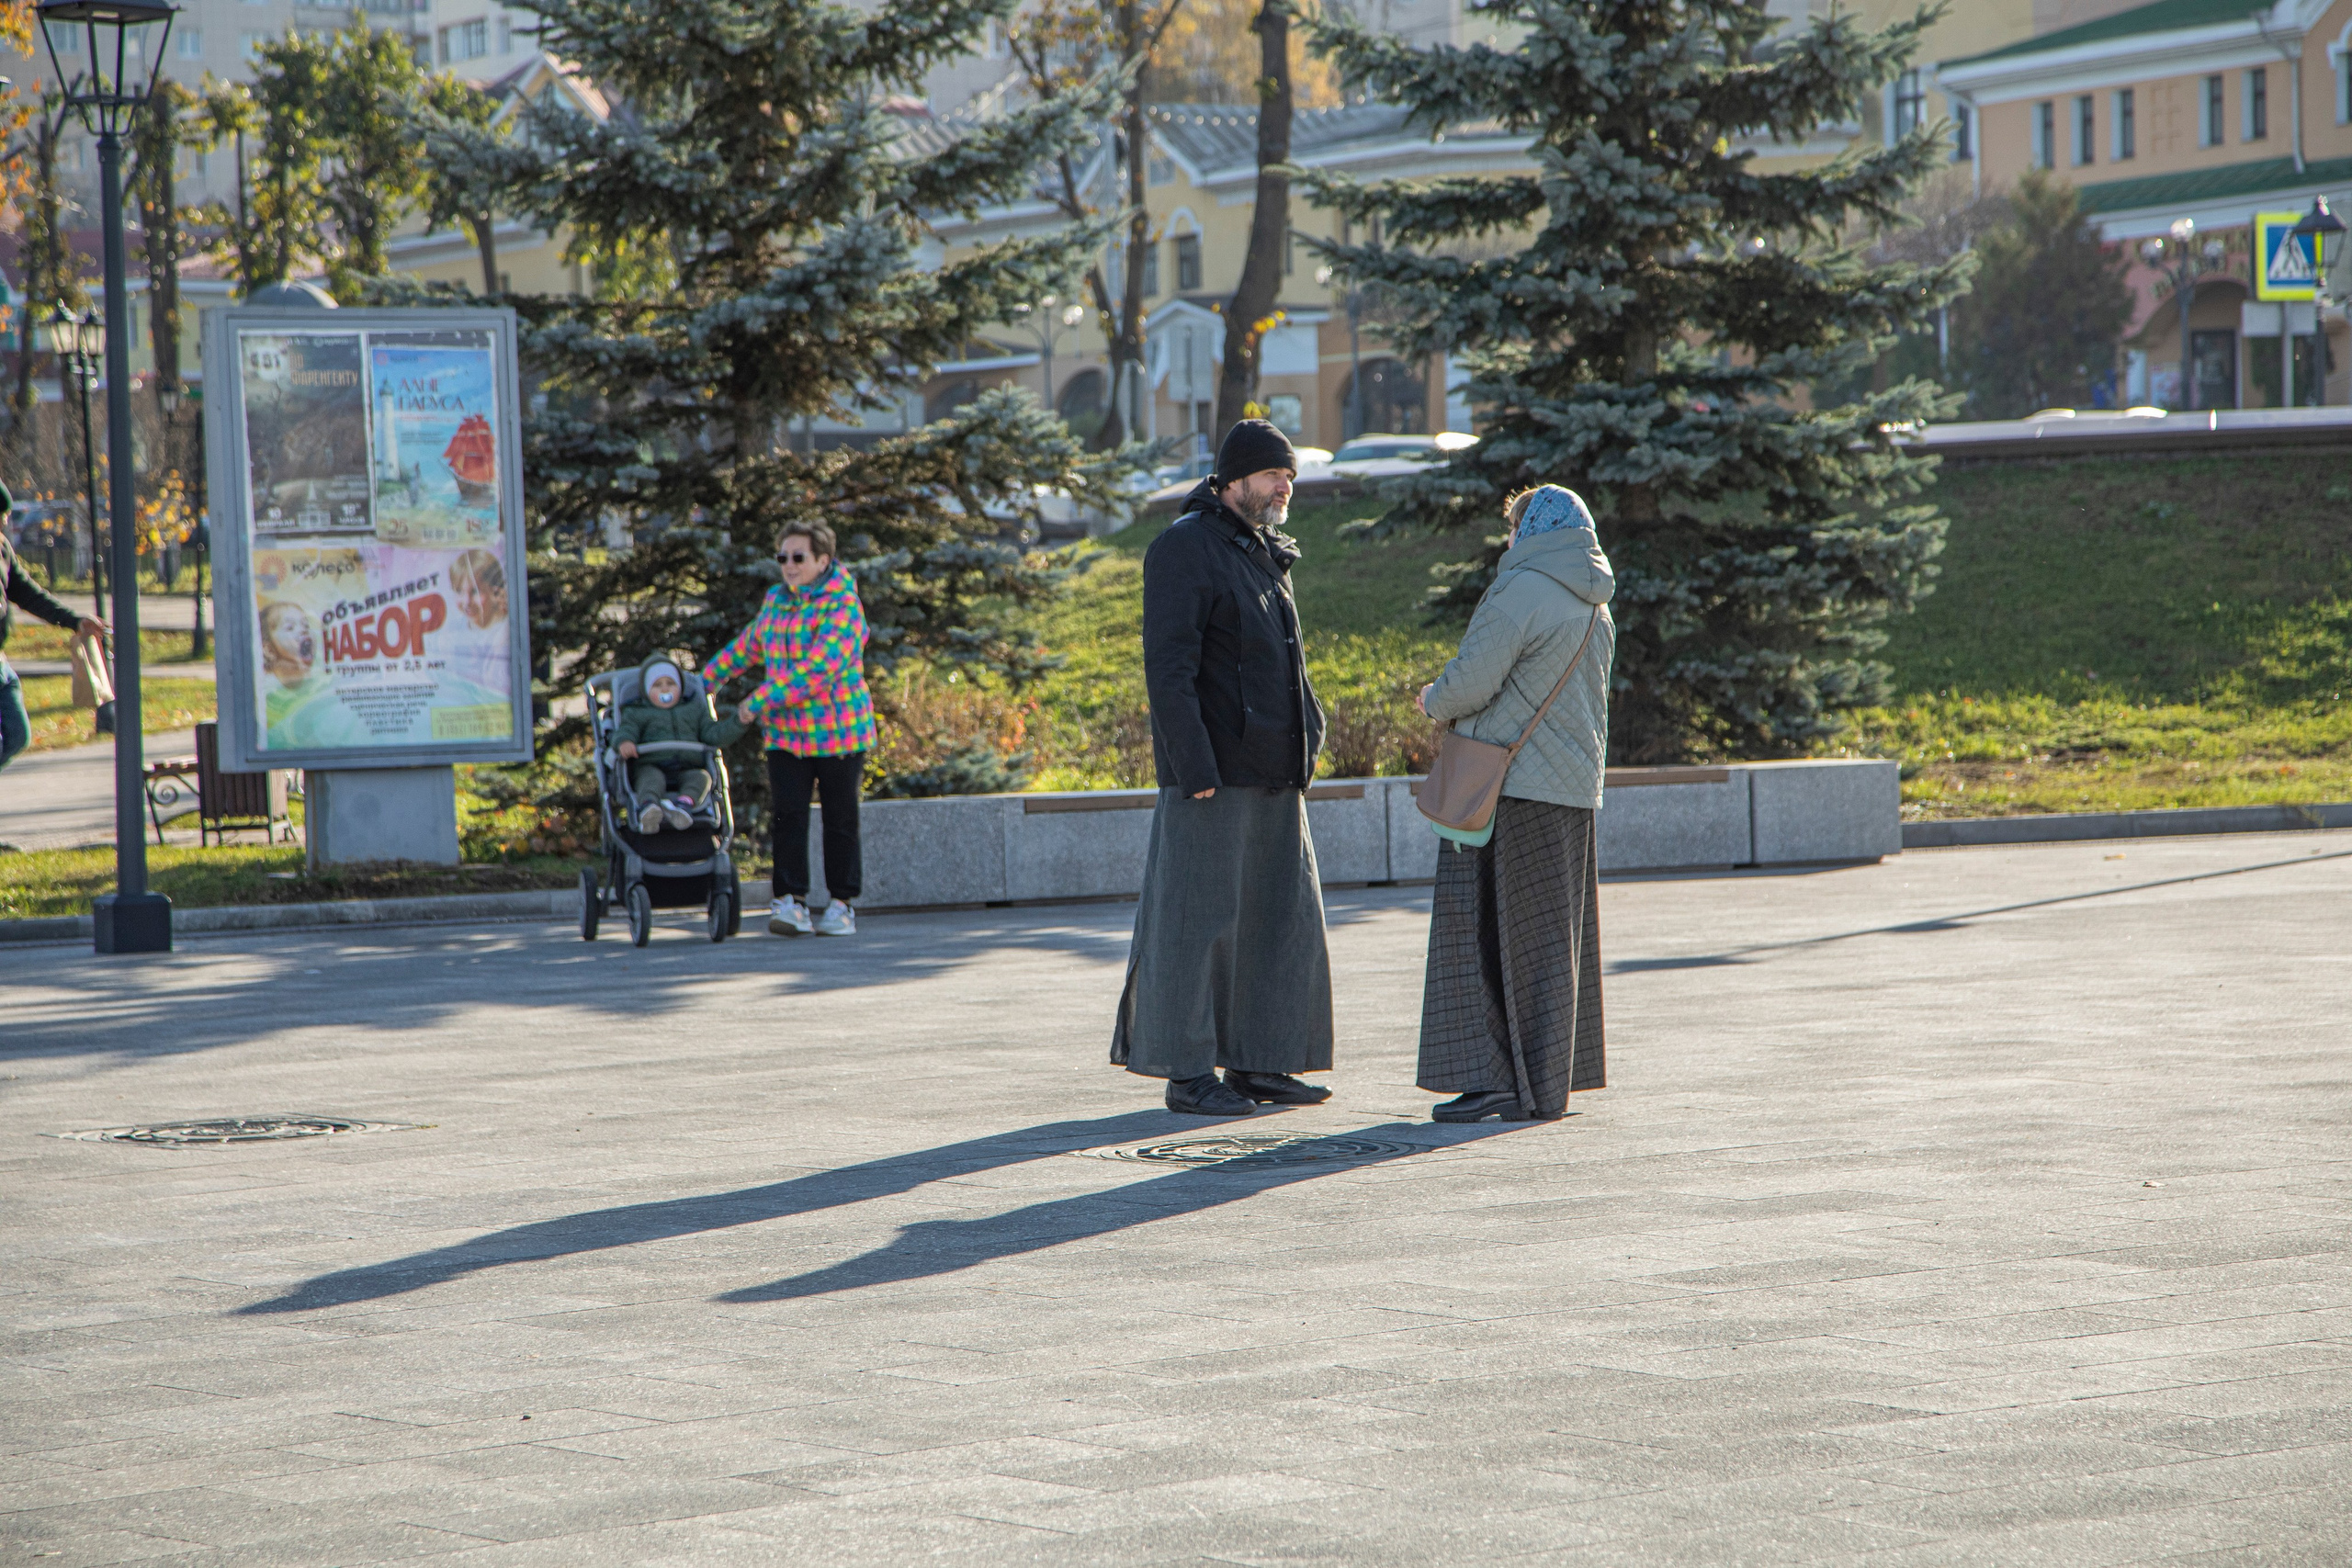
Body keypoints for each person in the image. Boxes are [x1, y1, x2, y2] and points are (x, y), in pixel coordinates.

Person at [1112, 419, 1335, 1116]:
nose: (1284, 485)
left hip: (1273, 771)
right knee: (1193, 924)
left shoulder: (1263, 550)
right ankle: (1187, 1071)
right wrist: (1192, 762)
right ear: (1233, 478)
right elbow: (1168, 669)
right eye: (1274, 474)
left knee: (1278, 924)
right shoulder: (1185, 548)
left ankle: (1260, 1064)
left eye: (1289, 475)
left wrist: (1310, 733)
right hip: (1212, 776)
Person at [1415, 484, 1618, 1122]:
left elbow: (1473, 679)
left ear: (1531, 531)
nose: (1507, 541)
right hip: (1570, 791)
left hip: (1506, 788)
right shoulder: (1596, 604)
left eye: (1512, 528)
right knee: (1552, 941)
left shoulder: (1522, 588)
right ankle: (1549, 1077)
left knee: (1483, 930)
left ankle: (1497, 1080)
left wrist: (1433, 698)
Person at [704, 519, 876, 938]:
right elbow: (747, 647)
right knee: (789, 818)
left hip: (839, 732)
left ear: (823, 560)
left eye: (799, 557)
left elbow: (819, 670)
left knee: (839, 820)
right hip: (786, 736)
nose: (789, 565)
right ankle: (790, 903)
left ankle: (841, 905)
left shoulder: (843, 606)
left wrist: (757, 701)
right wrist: (699, 683)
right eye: (783, 557)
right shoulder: (777, 601)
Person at [0, 483, 107, 770]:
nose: (6, 520)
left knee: (17, 735)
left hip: (1, 664)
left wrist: (74, 620)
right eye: (2, 514)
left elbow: (29, 595)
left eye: (7, 514)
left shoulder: (2, 550)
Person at [615, 653, 745, 832]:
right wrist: (625, 742)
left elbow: (714, 734)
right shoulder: (637, 712)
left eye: (671, 684)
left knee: (702, 778)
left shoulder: (693, 710)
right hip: (652, 764)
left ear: (680, 687)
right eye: (657, 685)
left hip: (687, 767)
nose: (665, 690)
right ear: (646, 690)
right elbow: (625, 730)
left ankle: (683, 806)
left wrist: (739, 722)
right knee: (650, 779)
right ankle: (649, 809)